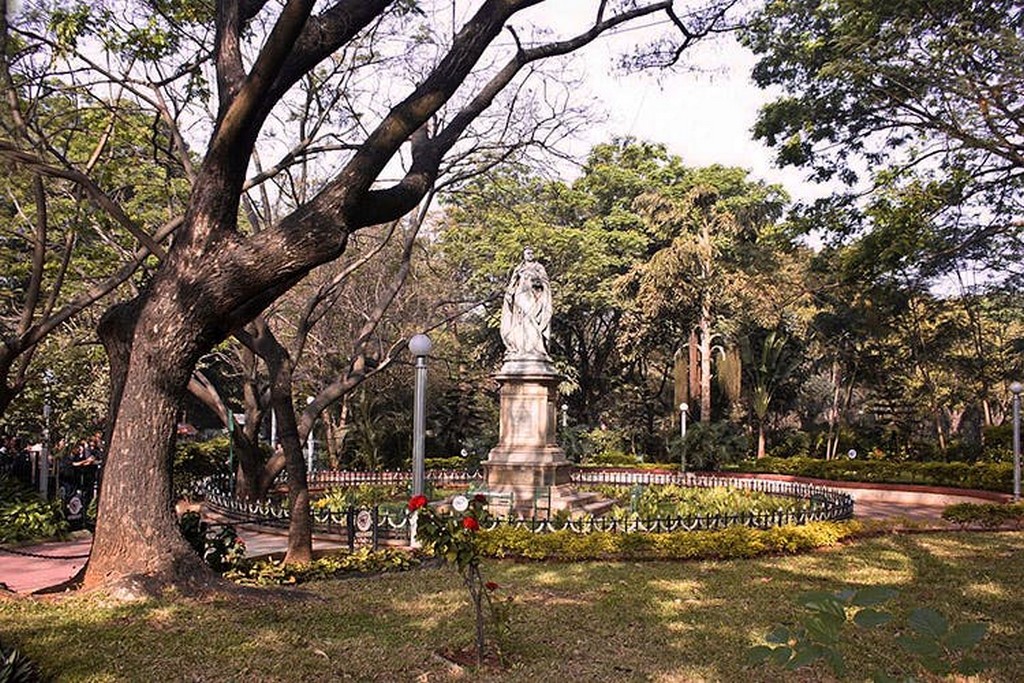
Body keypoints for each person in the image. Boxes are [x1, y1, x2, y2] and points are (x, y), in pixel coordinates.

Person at [500, 246, 552, 360]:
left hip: (534, 297)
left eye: (531, 253)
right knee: (521, 321)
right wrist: (509, 294)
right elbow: (512, 284)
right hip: (520, 296)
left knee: (532, 320)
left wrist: (536, 280)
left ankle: (535, 348)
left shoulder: (538, 267)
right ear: (523, 255)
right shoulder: (519, 268)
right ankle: (521, 348)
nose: (530, 255)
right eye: (527, 253)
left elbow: (545, 283)